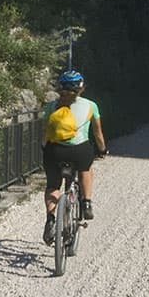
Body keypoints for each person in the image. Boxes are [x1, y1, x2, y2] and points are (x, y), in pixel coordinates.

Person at [41, 69, 106, 243]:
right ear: (81, 88)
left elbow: (46, 132)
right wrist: (102, 150)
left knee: (53, 185)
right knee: (86, 168)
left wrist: (44, 148)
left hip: (55, 151)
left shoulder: (50, 107)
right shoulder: (91, 106)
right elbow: (97, 132)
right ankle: (86, 203)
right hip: (80, 150)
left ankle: (51, 218)